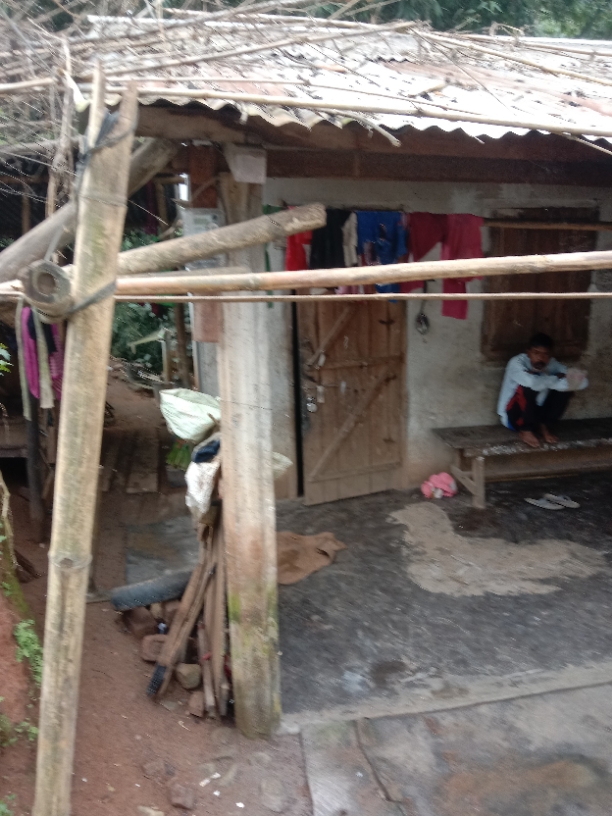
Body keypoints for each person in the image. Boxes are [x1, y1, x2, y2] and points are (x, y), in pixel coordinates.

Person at [497, 332, 588, 448]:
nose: (540, 358)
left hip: (537, 415)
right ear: (528, 352)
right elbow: (532, 383)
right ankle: (526, 430)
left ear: (550, 355)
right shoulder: (517, 363)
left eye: (545, 354)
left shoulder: (552, 364)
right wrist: (555, 378)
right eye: (536, 353)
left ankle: (543, 426)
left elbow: (583, 382)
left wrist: (551, 381)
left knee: (567, 389)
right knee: (528, 386)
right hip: (514, 417)